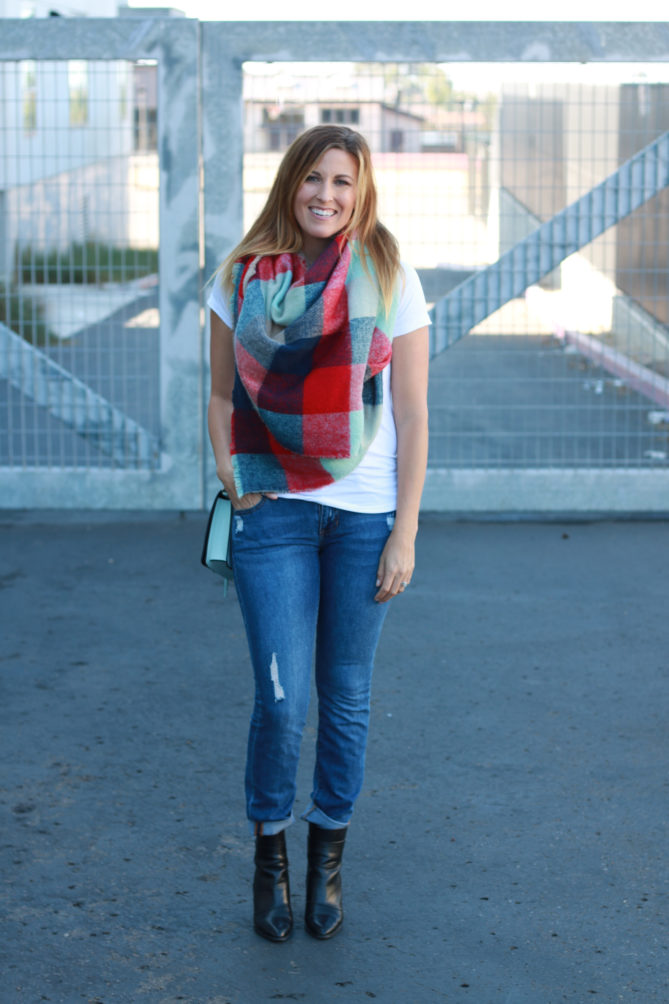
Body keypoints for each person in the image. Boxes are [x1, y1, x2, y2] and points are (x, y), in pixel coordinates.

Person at [207, 125, 430, 942]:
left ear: (360, 189)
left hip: (366, 519)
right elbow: (222, 399)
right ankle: (269, 851)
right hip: (274, 514)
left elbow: (411, 411)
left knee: (345, 698)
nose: (325, 196)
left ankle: (326, 859)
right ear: (289, 184)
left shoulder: (388, 275)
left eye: (341, 181)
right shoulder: (238, 278)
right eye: (312, 179)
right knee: (280, 697)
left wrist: (404, 530)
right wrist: (238, 482)